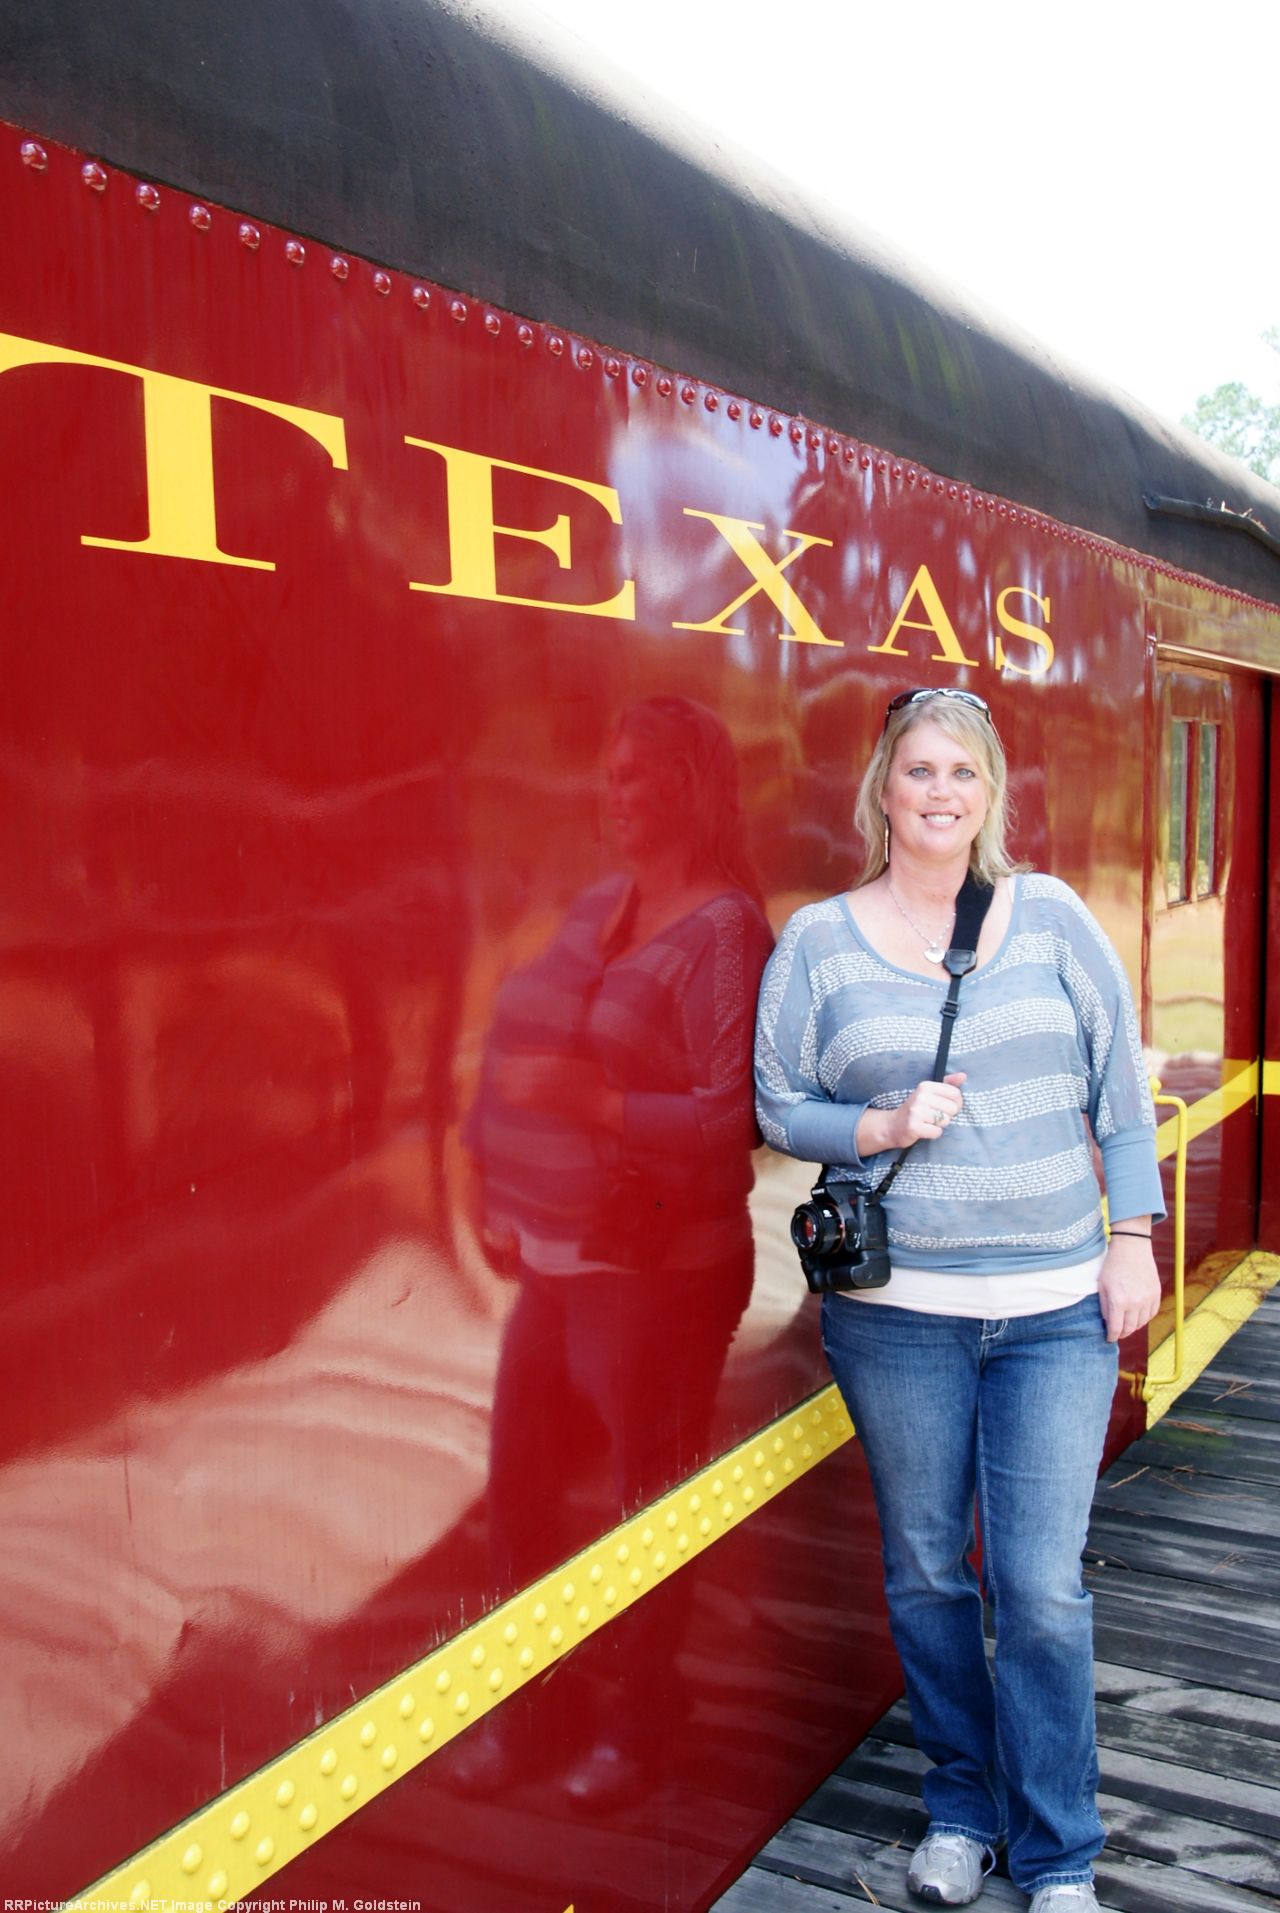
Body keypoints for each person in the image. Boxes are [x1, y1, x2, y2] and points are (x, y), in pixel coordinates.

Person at [754, 686, 1164, 1912]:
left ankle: (1057, 1855)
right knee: (928, 1567)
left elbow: (1117, 1092)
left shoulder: (1047, 919)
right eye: (919, 770)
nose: (940, 793)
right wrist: (874, 1121)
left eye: (963, 775)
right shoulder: (816, 943)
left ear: (989, 796)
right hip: (894, 1316)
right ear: (882, 786)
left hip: (1050, 1311)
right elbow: (777, 1105)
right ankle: (958, 1807)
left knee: (1037, 1584)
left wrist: (1130, 1235)